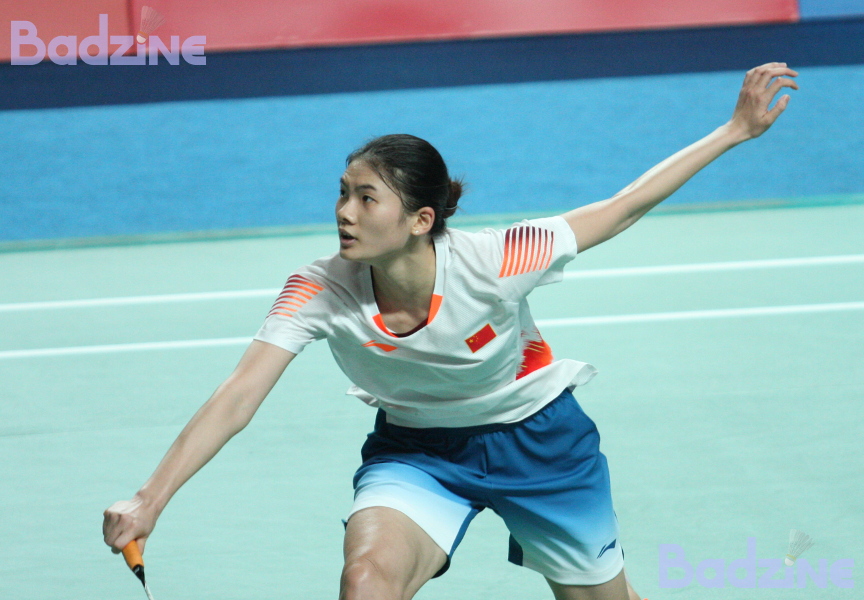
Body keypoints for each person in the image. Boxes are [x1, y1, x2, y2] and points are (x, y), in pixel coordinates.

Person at [103, 63, 798, 600]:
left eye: (366, 197)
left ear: (421, 220)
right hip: (417, 451)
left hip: (539, 442)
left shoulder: (497, 260)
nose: (344, 211)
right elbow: (238, 395)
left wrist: (734, 130)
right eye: (342, 192)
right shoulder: (318, 288)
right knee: (366, 581)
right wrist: (149, 498)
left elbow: (622, 206)